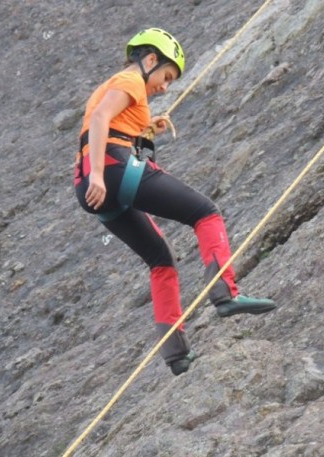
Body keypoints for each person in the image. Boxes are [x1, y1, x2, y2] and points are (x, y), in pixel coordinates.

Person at [74, 28, 276, 376]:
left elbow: (114, 124)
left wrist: (147, 128)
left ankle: (176, 355)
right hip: (108, 170)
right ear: (150, 60)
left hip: (92, 185)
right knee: (206, 213)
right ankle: (225, 294)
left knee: (161, 260)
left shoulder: (124, 88)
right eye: (166, 76)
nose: (165, 87)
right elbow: (99, 119)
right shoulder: (130, 80)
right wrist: (97, 173)